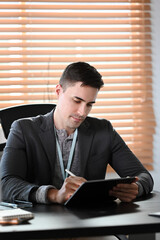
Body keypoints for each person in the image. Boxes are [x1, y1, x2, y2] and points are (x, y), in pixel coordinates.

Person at [0, 62, 153, 240]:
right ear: (58, 91)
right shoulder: (23, 129)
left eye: (89, 104)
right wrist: (53, 194)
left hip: (87, 226)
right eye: (77, 101)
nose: (82, 112)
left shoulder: (103, 130)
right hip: (38, 228)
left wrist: (136, 187)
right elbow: (7, 184)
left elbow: (143, 175)